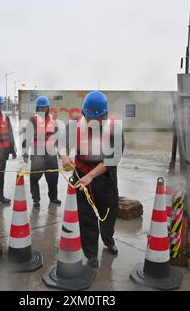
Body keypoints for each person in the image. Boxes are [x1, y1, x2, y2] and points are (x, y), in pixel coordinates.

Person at [59, 91, 124, 269]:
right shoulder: (74, 125)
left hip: (105, 177)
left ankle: (108, 239)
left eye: (97, 119)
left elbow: (113, 159)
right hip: (81, 175)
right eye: (88, 118)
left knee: (108, 213)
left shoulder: (114, 129)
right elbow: (62, 144)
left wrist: (91, 176)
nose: (92, 123)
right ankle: (91, 253)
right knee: (86, 217)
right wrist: (64, 156)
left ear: (105, 115)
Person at [22, 96, 61, 208]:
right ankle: (36, 200)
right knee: (34, 178)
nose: (43, 109)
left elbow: (57, 135)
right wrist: (25, 152)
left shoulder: (52, 119)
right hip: (37, 154)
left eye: (45, 107)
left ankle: (53, 197)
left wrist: (59, 150)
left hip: (51, 154)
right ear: (37, 108)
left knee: (53, 178)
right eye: (41, 107)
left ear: (48, 108)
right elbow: (26, 137)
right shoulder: (33, 119)